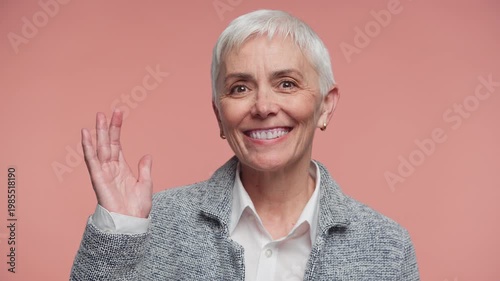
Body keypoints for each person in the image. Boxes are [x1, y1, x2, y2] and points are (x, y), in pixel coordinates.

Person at [70, 9, 419, 281]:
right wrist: (118, 230)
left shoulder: (387, 247)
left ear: (325, 106)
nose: (264, 106)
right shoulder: (154, 223)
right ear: (220, 115)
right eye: (240, 88)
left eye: (286, 83)